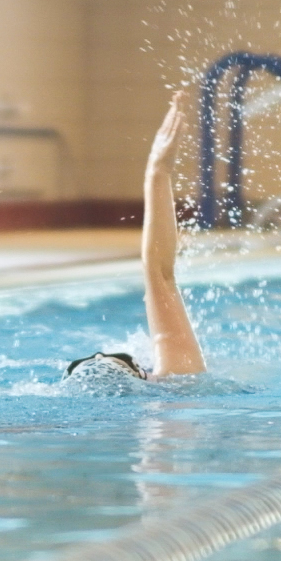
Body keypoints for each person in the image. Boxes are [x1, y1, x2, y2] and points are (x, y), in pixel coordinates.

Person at [65, 90, 206, 384]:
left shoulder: (178, 388)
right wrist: (158, 171)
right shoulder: (179, 382)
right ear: (144, 374)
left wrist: (158, 171)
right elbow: (159, 272)